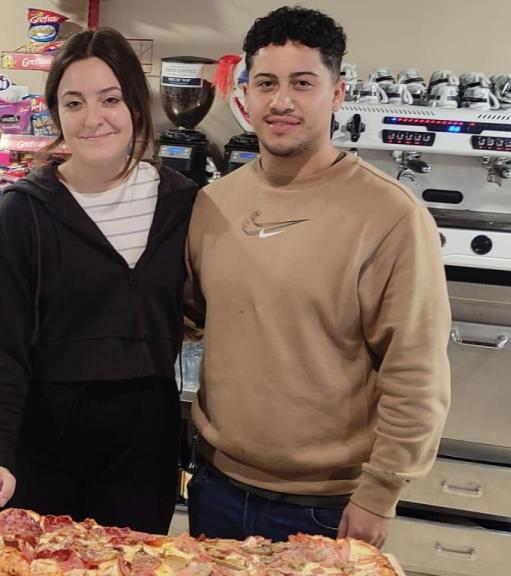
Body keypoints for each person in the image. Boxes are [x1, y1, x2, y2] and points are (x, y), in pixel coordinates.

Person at [185, 6, 451, 547]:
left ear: (336, 94)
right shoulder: (213, 203)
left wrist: (380, 492)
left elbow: (415, 368)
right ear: (245, 94)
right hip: (215, 486)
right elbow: (187, 320)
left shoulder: (390, 216)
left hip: (326, 506)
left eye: (302, 83)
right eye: (266, 83)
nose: (281, 101)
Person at [0, 28, 198, 534]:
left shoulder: (183, 204)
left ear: (136, 106)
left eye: (110, 99)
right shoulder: (26, 212)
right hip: (43, 449)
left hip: (143, 450)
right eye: (74, 102)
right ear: (56, 114)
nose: (93, 118)